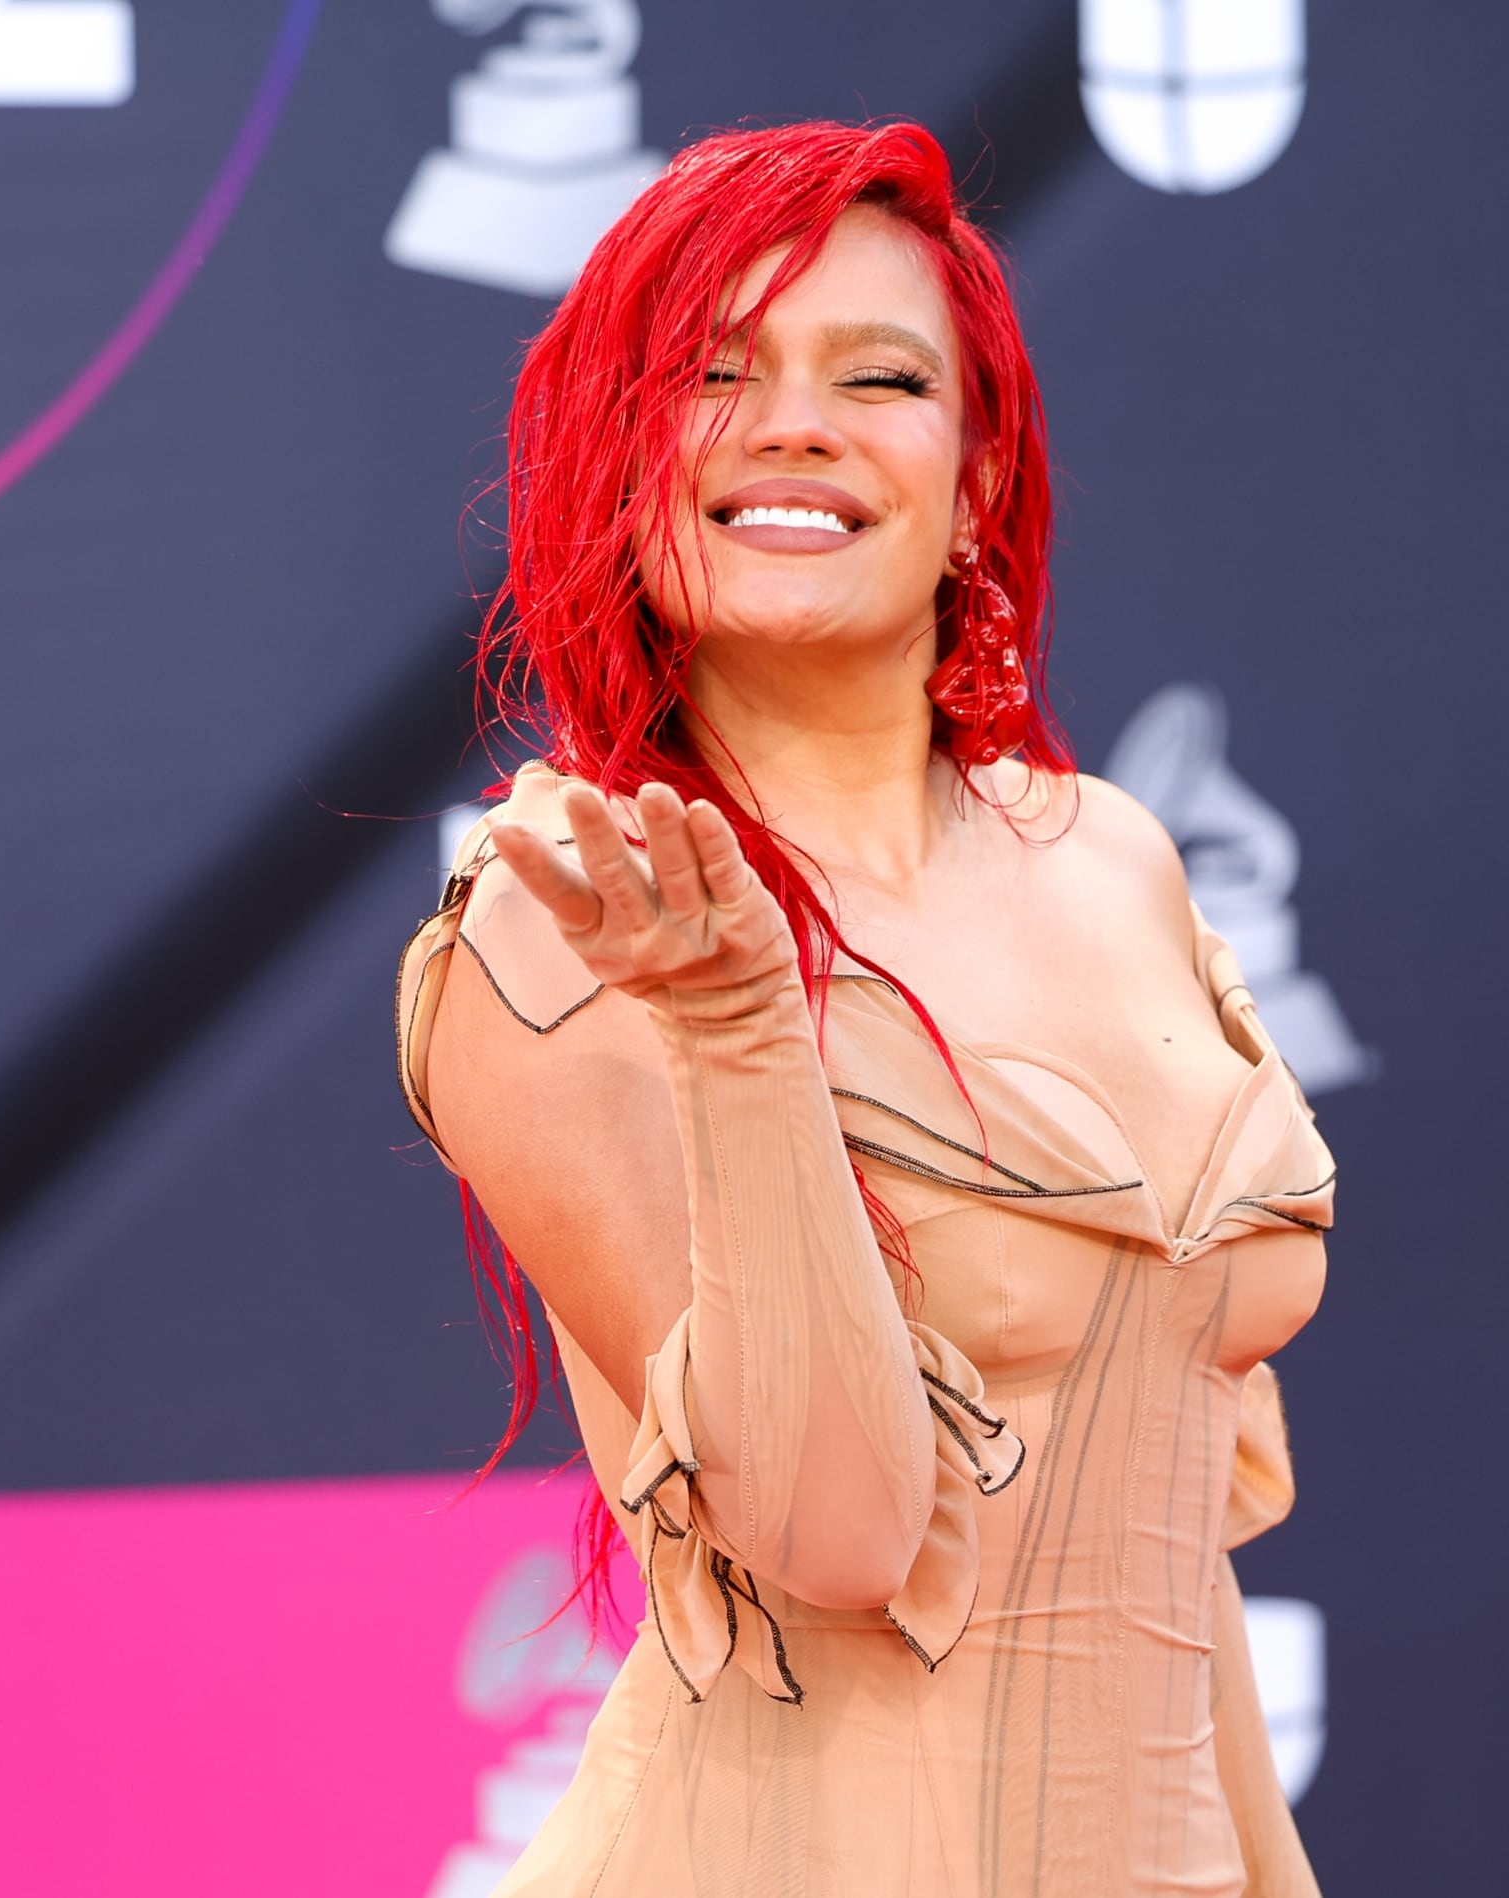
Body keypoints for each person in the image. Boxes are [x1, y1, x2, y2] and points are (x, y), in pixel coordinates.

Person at [396, 120, 1333, 1898]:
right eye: (712, 373)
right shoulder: (558, 931)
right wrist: (743, 1029)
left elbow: (1173, 1563)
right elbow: (835, 1534)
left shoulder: (1113, 853)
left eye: (881, 375)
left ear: (977, 477)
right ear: (620, 463)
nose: (794, 423)